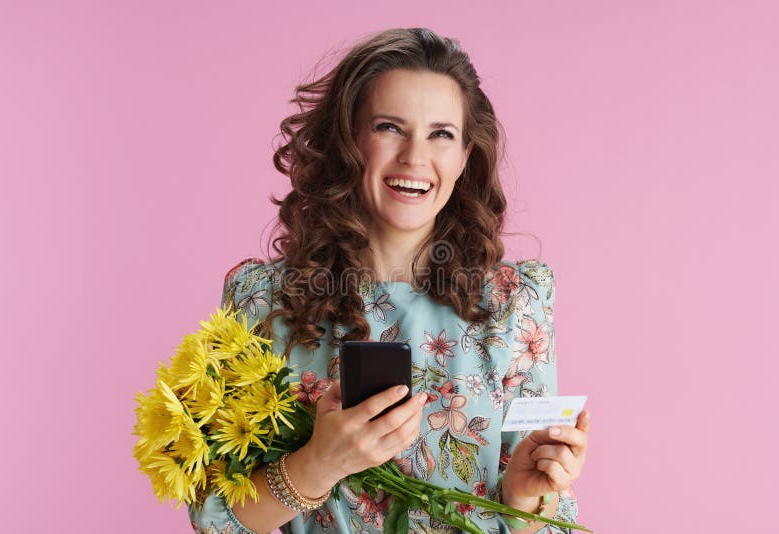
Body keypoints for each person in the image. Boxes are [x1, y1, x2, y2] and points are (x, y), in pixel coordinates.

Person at [189, 27, 590, 534]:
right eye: (389, 127)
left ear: (466, 156)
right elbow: (215, 518)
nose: (414, 157)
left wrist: (529, 498)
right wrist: (321, 463)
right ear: (348, 142)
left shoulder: (514, 305)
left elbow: (546, 522)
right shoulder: (261, 301)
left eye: (440, 133)